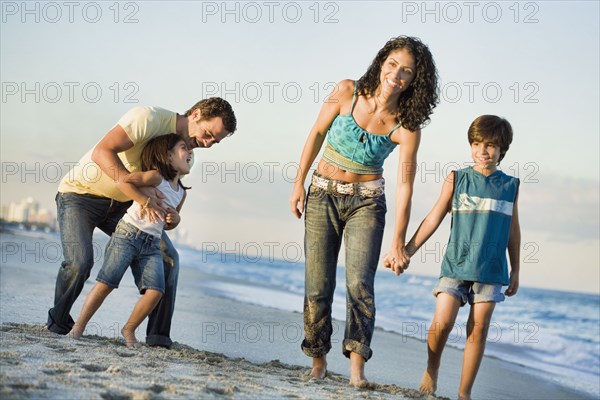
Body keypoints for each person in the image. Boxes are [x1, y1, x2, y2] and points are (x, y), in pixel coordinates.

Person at [289, 36, 438, 386]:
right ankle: (318, 362)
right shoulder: (345, 91)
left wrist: (399, 240)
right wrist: (298, 183)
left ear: (415, 80)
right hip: (322, 193)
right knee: (318, 283)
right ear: (381, 62)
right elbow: (316, 133)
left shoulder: (407, 126)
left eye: (406, 71)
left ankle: (357, 370)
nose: (396, 75)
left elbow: (405, 185)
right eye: (392, 65)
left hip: (368, 202)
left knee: (360, 285)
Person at [47, 98, 237, 348]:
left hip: (125, 206)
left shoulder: (179, 150)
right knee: (80, 262)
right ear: (196, 114)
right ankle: (59, 325)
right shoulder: (148, 118)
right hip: (81, 195)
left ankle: (158, 338)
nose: (208, 143)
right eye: (208, 134)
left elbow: (166, 193)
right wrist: (138, 192)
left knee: (169, 258)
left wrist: (170, 215)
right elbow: (102, 152)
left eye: (215, 141)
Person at [398, 115, 520, 400]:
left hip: (491, 271)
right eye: (476, 144)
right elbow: (434, 217)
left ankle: (464, 394)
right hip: (455, 264)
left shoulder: (511, 185)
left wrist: (515, 270)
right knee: (441, 322)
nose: (482, 151)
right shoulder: (457, 178)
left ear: (502, 149)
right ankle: (432, 367)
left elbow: (513, 229)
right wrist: (408, 249)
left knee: (477, 331)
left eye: (490, 145)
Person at [71, 134, 190, 347]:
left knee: (155, 292)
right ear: (169, 156)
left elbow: (168, 223)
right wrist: (146, 192)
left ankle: (129, 329)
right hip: (128, 234)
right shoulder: (156, 177)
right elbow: (126, 181)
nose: (190, 152)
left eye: (191, 150)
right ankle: (78, 327)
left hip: (152, 244)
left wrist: (176, 219)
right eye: (184, 148)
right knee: (106, 283)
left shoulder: (181, 193)